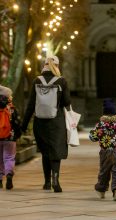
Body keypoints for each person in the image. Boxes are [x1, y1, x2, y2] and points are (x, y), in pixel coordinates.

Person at [21, 55, 71, 193]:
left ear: (45, 65)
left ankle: (47, 182)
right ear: (57, 66)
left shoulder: (37, 80)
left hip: (40, 122)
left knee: (45, 152)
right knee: (56, 150)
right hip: (57, 122)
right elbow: (67, 102)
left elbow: (30, 105)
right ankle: (56, 179)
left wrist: (24, 126)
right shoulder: (61, 81)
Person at [89, 98, 116, 201]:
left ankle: (102, 191)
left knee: (104, 171)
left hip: (105, 151)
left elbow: (92, 137)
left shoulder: (100, 125)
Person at [0, 85, 21, 190]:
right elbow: (17, 122)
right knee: (9, 157)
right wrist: (18, 134)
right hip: (10, 136)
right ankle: (9, 175)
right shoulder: (11, 108)